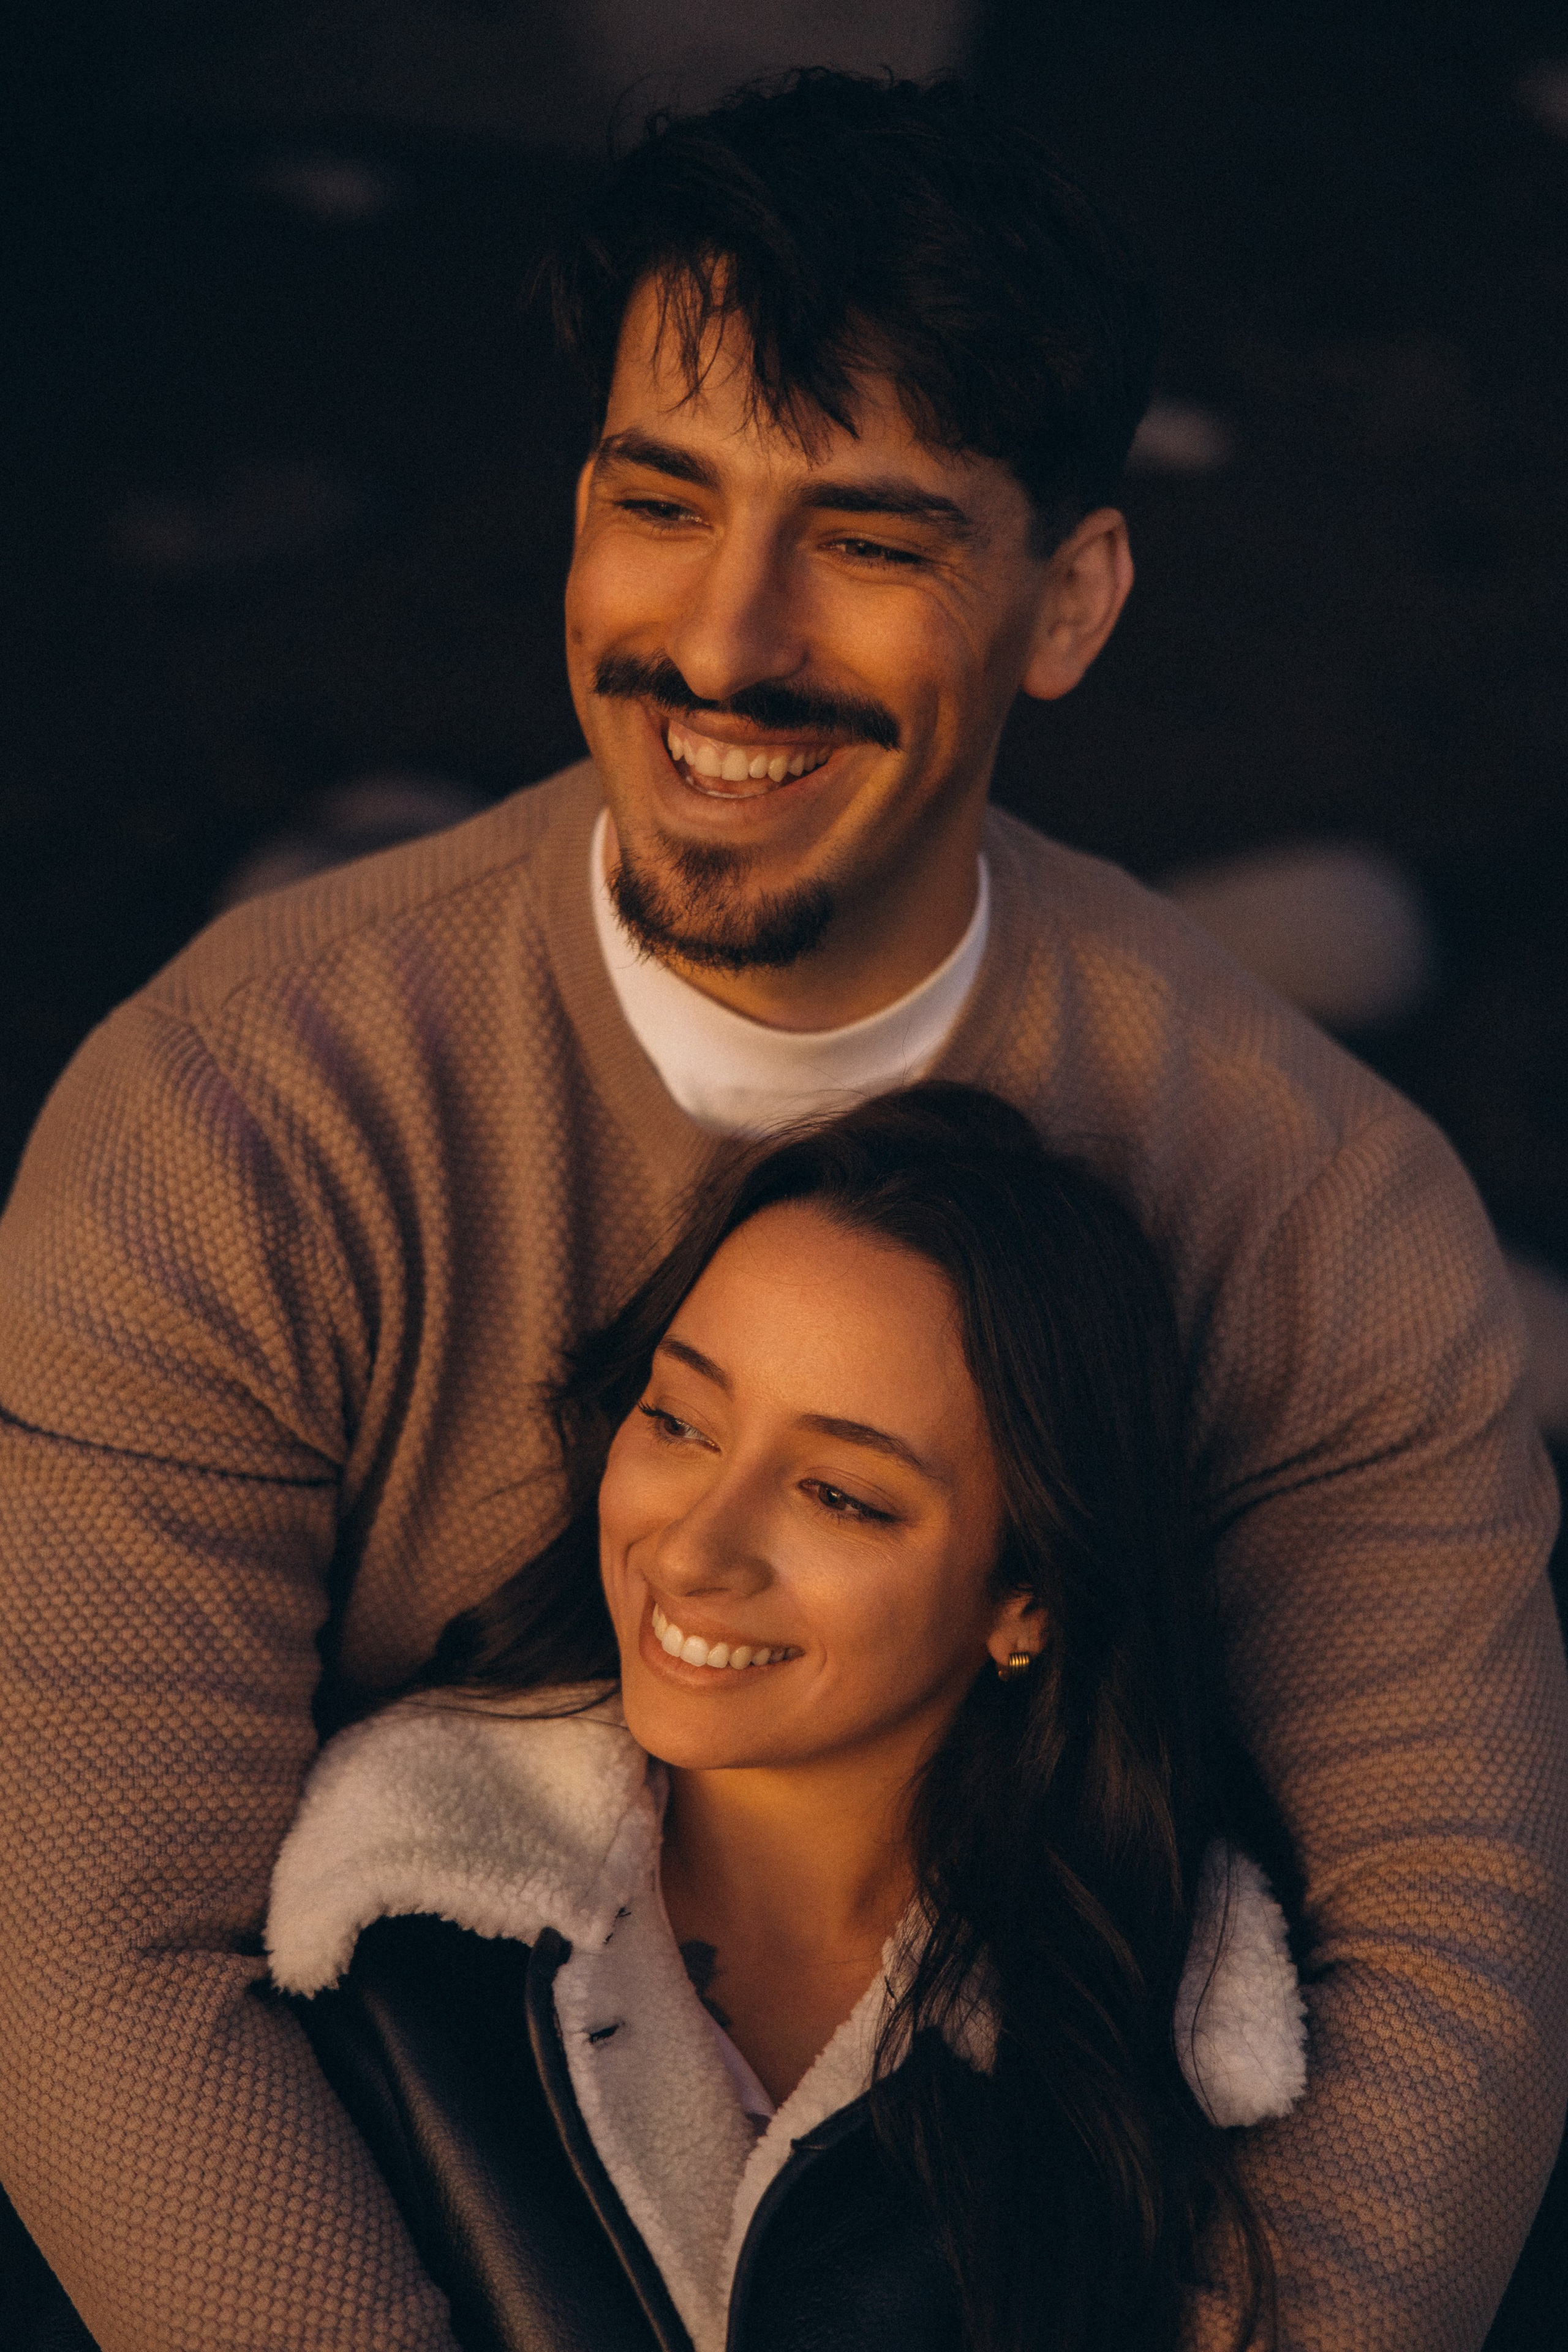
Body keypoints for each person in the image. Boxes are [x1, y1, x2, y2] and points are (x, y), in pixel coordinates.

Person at [0, 66, 1562, 2352]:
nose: (724, 643)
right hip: (407, 2188)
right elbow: (83, 1927)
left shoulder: (1319, 1208)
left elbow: (1453, 1930)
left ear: (1069, 601)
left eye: (871, 537)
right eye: (665, 500)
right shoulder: (242, 1113)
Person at [267, 1085, 1308, 2352]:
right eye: (678, 1421)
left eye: (838, 1495)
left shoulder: (1184, 2019)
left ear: (1025, 1598)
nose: (696, 1550)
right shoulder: (378, 1929)